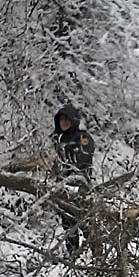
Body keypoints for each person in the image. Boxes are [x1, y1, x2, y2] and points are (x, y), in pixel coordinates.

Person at [52, 103, 95, 254]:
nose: (64, 122)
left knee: (85, 223)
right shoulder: (57, 139)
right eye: (61, 119)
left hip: (79, 188)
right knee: (68, 225)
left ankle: (95, 254)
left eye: (67, 119)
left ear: (73, 121)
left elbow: (83, 160)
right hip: (62, 189)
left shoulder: (83, 138)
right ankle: (73, 256)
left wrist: (69, 170)